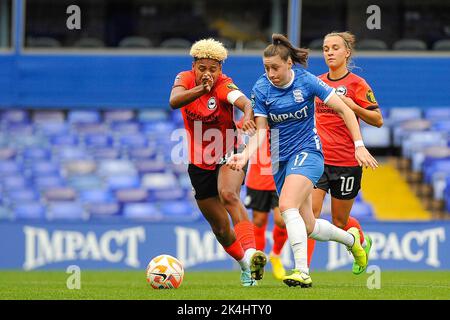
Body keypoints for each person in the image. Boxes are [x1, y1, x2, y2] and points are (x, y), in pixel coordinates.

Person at [227, 34, 378, 288]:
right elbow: (262, 131)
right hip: (280, 160)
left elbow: (344, 109)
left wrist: (359, 145)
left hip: (309, 152)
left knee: (287, 206)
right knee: (308, 226)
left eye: (275, 67)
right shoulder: (261, 88)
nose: (270, 73)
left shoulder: (307, 82)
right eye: (266, 68)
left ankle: (301, 271)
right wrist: (244, 154)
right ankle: (353, 242)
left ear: (289, 64)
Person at [169, 38, 266, 287]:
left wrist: (246, 115)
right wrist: (201, 90)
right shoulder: (185, 79)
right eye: (203, 68)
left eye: (213, 69)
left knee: (229, 194)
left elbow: (243, 101)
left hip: (229, 152)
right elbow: (174, 101)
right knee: (221, 229)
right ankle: (245, 266)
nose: (208, 73)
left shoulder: (223, 84)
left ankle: (253, 254)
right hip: (199, 162)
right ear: (194, 66)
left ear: (220, 69)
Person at [309, 31, 384, 274]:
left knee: (339, 222)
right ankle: (303, 270)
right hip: (318, 160)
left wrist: (353, 107)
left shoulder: (357, 85)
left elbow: (378, 120)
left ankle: (361, 241)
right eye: (325, 48)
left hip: (346, 163)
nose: (329, 52)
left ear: (347, 52)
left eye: (335, 48)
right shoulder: (316, 82)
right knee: (310, 215)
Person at [244, 127, 288, 280]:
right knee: (259, 220)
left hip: (280, 177)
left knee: (281, 221)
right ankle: (258, 263)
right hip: (257, 179)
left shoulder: (284, 111)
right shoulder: (256, 112)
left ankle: (275, 254)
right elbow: (241, 125)